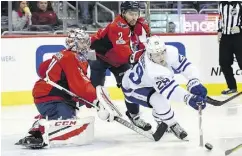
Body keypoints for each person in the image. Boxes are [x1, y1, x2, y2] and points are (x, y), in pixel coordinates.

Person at [15, 29, 114, 149]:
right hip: (51, 97)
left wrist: (95, 102)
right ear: (74, 43)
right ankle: (39, 130)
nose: (87, 46)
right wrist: (97, 100)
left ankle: (42, 123)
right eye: (83, 43)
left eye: (86, 42)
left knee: (70, 116)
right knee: (68, 122)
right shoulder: (71, 57)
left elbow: (43, 70)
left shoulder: (69, 55)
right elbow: (81, 86)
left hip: (55, 96)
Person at [121, 36, 207, 140]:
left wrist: (194, 80)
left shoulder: (169, 52)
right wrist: (188, 98)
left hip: (148, 83)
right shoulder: (153, 70)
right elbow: (170, 90)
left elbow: (185, 66)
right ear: (150, 55)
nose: (161, 57)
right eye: (157, 55)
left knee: (160, 99)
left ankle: (160, 119)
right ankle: (172, 124)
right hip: (132, 88)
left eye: (162, 52)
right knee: (160, 100)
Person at [89, 1, 152, 131]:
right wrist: (138, 59)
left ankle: (134, 115)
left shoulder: (141, 24)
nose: (134, 17)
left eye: (136, 14)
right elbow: (123, 51)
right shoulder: (117, 26)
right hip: (98, 57)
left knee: (130, 86)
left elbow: (145, 43)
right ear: (123, 13)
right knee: (95, 90)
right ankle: (98, 106)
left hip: (118, 60)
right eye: (130, 14)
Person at [218, 1, 242, 95]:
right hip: (225, 37)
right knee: (224, 62)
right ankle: (232, 87)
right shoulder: (221, 4)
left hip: (238, 37)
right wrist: (219, 30)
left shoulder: (240, 4)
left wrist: (240, 28)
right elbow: (220, 18)